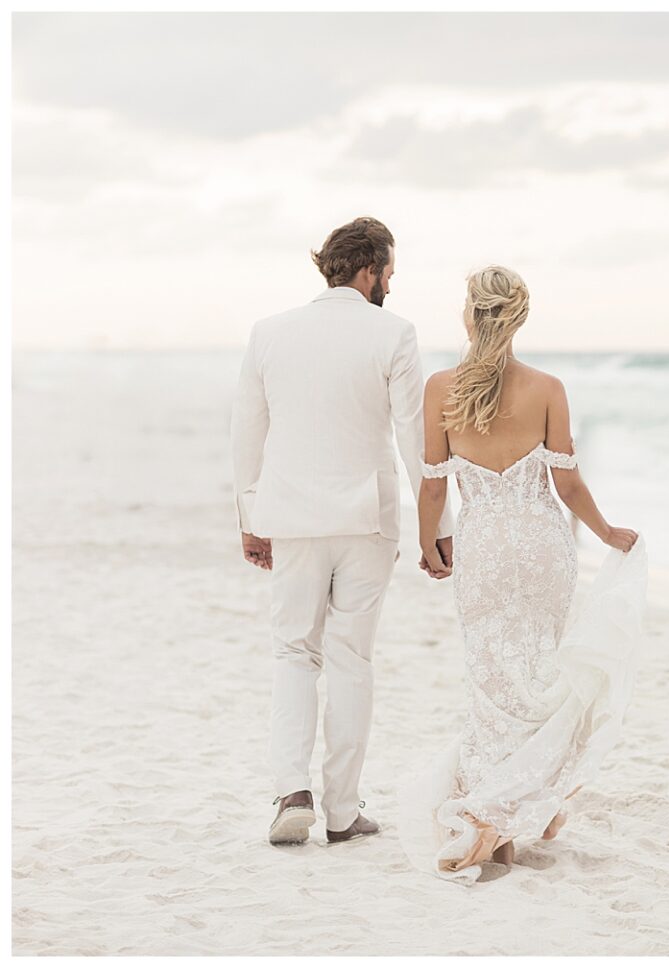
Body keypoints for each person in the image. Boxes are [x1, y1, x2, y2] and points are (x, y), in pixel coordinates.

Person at [396, 265, 647, 882]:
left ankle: (498, 820)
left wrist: (429, 543)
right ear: (519, 318)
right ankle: (512, 810)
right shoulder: (548, 388)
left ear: (469, 314)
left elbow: (434, 488)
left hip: (483, 548)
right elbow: (568, 484)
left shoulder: (440, 389)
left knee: (492, 685)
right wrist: (607, 533)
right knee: (542, 678)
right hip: (541, 549)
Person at [231, 217, 455, 847]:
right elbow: (415, 438)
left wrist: (250, 518)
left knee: (293, 653)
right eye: (389, 272)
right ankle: (341, 811)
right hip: (366, 520)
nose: (391, 284)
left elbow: (247, 431)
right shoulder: (394, 333)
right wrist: (437, 529)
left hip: (291, 519)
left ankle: (291, 793)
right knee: (352, 659)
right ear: (368, 268)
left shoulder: (269, 332)